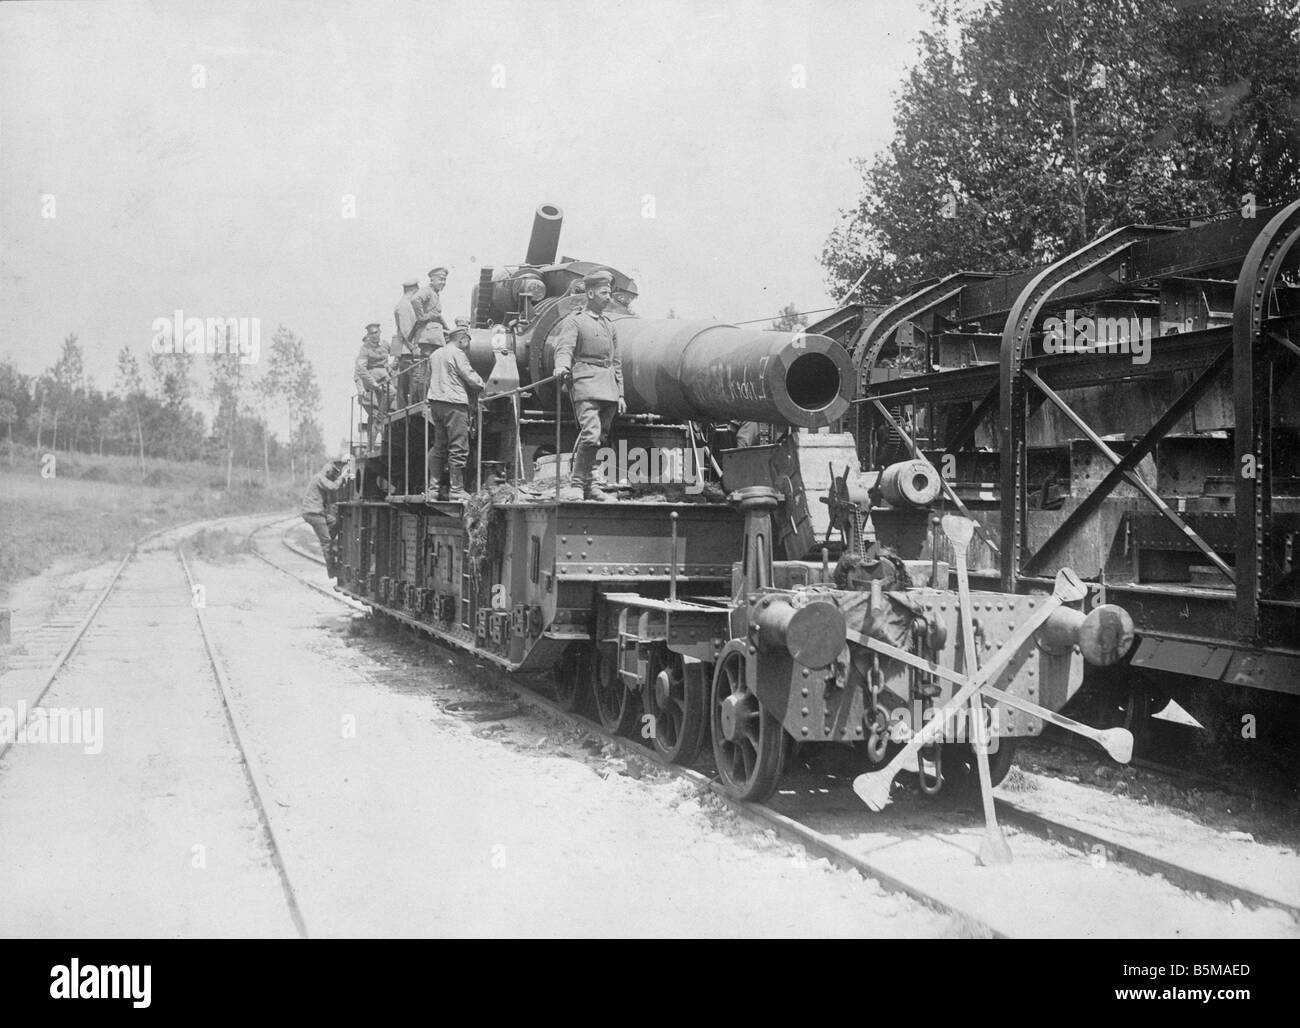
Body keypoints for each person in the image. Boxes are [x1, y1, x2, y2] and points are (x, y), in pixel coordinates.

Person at [553, 268, 624, 501]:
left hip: (608, 387)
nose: (608, 298)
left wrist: (621, 394)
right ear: (591, 294)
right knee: (591, 436)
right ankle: (576, 485)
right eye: (604, 293)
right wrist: (562, 366)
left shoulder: (609, 325)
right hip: (585, 383)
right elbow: (564, 348)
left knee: (600, 438)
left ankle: (590, 485)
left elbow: (616, 361)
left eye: (609, 293)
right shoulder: (575, 321)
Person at [425, 324, 484, 501]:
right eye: (467, 341)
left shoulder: (435, 354)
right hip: (454, 404)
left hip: (436, 403)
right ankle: (457, 490)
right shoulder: (458, 353)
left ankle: (433, 490)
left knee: (439, 446)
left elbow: (428, 379)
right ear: (462, 339)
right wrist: (484, 386)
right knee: (458, 447)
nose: (468, 346)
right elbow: (469, 376)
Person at [301, 458, 349, 578]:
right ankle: (332, 571)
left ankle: (327, 542)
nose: (332, 476)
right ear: (328, 471)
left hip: (317, 513)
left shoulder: (320, 478)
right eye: (332, 473)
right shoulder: (320, 478)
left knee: (334, 522)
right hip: (314, 513)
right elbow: (333, 487)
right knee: (326, 542)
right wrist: (342, 477)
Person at [354, 323, 392, 443]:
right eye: (371, 334)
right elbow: (358, 375)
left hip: (383, 383)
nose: (373, 336)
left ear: (380, 332)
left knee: (379, 416)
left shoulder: (385, 345)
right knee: (375, 416)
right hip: (370, 391)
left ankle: (376, 443)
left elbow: (394, 354)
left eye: (376, 333)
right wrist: (361, 389)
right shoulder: (364, 352)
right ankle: (371, 446)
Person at [391, 280, 420, 407]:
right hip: (408, 351)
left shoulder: (405, 304)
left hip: (406, 350)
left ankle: (404, 406)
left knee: (405, 382)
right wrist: (413, 347)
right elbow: (406, 330)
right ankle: (411, 407)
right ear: (413, 290)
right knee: (411, 380)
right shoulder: (404, 305)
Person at [412, 266, 450, 351]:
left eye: (444, 280)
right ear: (432, 280)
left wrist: (447, 329)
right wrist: (422, 317)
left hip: (434, 336)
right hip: (428, 337)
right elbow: (415, 299)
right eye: (440, 279)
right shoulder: (427, 290)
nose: (443, 283)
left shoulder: (435, 294)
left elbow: (437, 315)